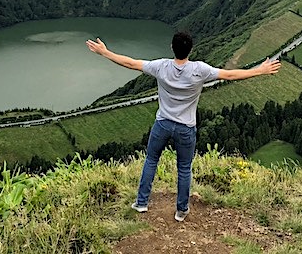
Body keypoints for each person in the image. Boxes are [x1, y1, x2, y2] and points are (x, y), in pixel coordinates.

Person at [86, 31, 280, 222]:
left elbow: (130, 63)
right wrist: (259, 71)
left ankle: (142, 202)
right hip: (186, 127)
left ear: (172, 47)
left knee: (151, 161)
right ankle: (181, 210)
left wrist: (105, 52)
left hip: (162, 123)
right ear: (191, 49)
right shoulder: (200, 70)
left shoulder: (161, 67)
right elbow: (229, 75)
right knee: (184, 168)